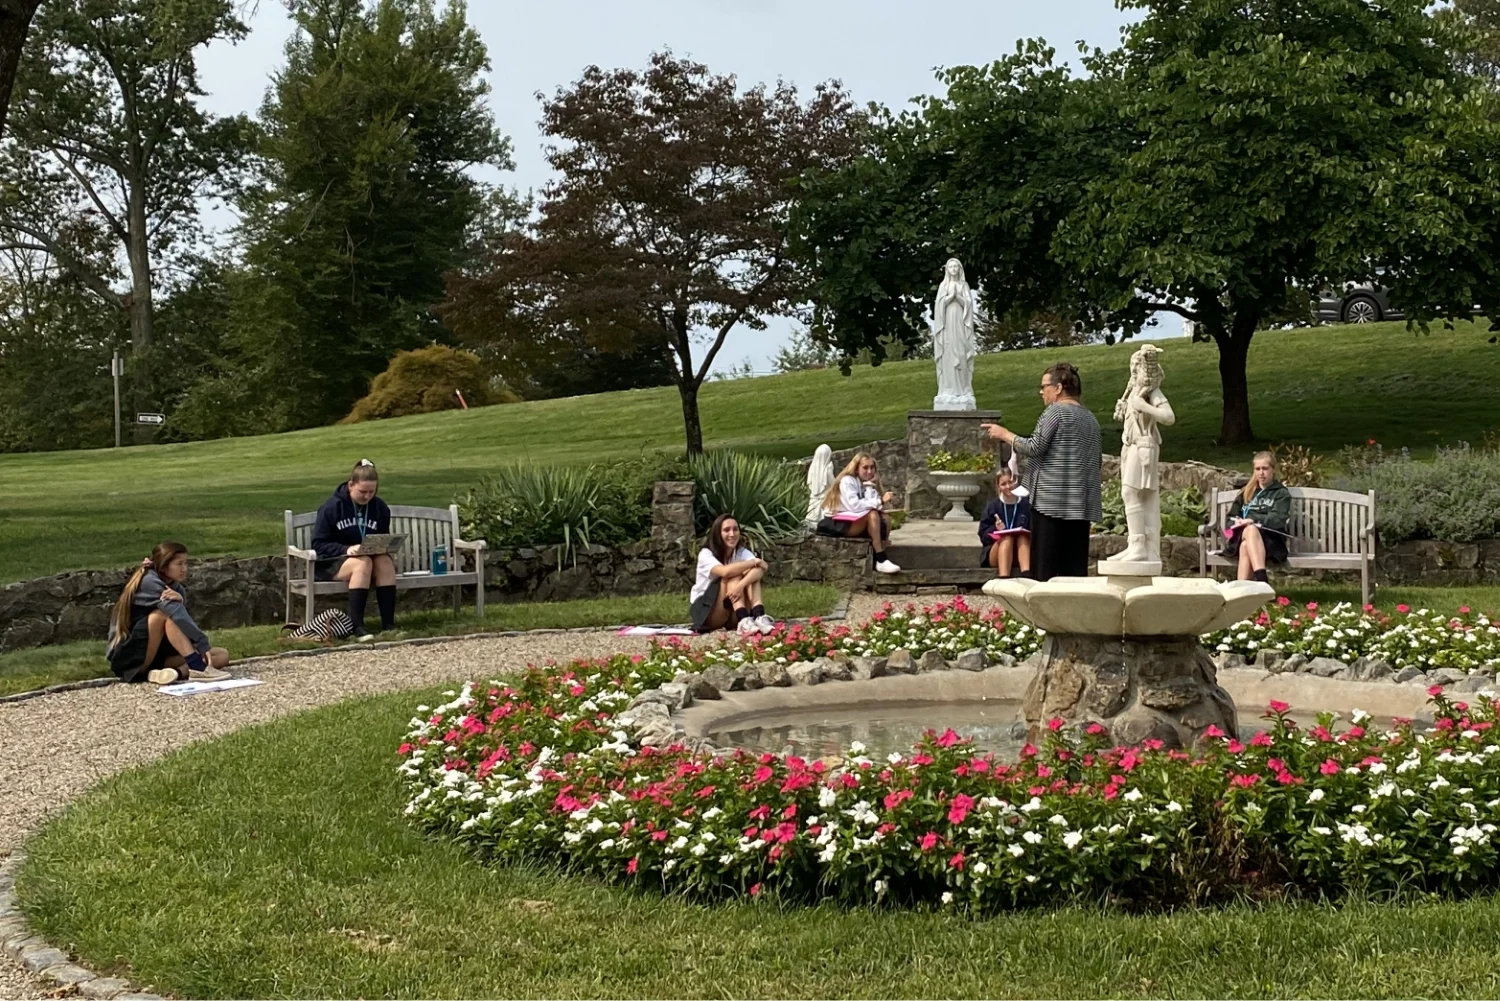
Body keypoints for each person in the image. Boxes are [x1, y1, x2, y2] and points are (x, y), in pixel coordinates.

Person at [981, 362, 1102, 581]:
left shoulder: (1055, 412)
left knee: (1045, 570)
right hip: (1080, 506)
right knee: (1074, 571)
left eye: (1044, 386)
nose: (1041, 391)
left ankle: (1042, 612)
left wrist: (1005, 434)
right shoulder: (1090, 419)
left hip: (1050, 504)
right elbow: (1096, 462)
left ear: (1058, 388)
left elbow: (1035, 447)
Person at [106, 542, 231, 684]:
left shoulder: (176, 588)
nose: (184, 569)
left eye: (185, 563)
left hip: (158, 655)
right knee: (164, 615)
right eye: (179, 564)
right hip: (129, 659)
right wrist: (201, 643)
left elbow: (183, 623)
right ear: (165, 566)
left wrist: (181, 601)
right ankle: (198, 668)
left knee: (221, 655)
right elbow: (176, 616)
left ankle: (174, 673)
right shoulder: (149, 582)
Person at [312, 459, 395, 640]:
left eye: (371, 492)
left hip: (368, 558)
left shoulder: (380, 508)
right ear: (351, 485)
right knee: (362, 563)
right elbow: (318, 544)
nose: (367, 497)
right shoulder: (331, 508)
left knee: (385, 561)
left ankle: (389, 624)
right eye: (362, 492)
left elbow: (382, 536)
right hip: (333, 562)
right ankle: (357, 626)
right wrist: (347, 548)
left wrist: (381, 547)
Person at [816, 453, 901, 574]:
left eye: (872, 467)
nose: (870, 471)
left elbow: (874, 504)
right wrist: (881, 500)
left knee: (885, 517)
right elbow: (855, 506)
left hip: (853, 519)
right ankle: (881, 558)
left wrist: (871, 487)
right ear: (856, 468)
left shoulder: (866, 483)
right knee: (872, 514)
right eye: (865, 468)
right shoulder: (847, 481)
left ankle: (881, 550)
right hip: (837, 522)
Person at [690, 515, 774, 635]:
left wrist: (741, 585)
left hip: (732, 611)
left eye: (735, 529)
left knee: (750, 576)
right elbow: (725, 572)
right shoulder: (706, 554)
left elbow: (760, 570)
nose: (732, 534)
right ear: (718, 533)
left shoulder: (741, 552)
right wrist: (754, 562)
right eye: (726, 530)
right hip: (707, 611)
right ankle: (744, 619)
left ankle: (758, 616)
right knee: (733, 574)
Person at [1224, 451, 1292, 582]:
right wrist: (1236, 523)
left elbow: (1278, 519)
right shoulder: (1246, 492)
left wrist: (1253, 520)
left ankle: (1243, 592)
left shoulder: (1281, 493)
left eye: (1265, 468)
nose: (1261, 473)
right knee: (1249, 531)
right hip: (1241, 535)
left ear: (1273, 470)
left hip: (1271, 541)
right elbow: (1230, 519)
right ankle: (1262, 581)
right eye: (1257, 469)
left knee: (1246, 544)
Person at [978, 468, 1032, 578]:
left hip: (1020, 551)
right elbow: (983, 536)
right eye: (1003, 484)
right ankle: (1004, 578)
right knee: (1007, 538)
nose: (1008, 486)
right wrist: (995, 529)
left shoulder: (1026, 505)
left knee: (1022, 537)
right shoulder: (993, 507)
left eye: (1010, 482)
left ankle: (1027, 575)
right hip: (997, 552)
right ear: (998, 487)